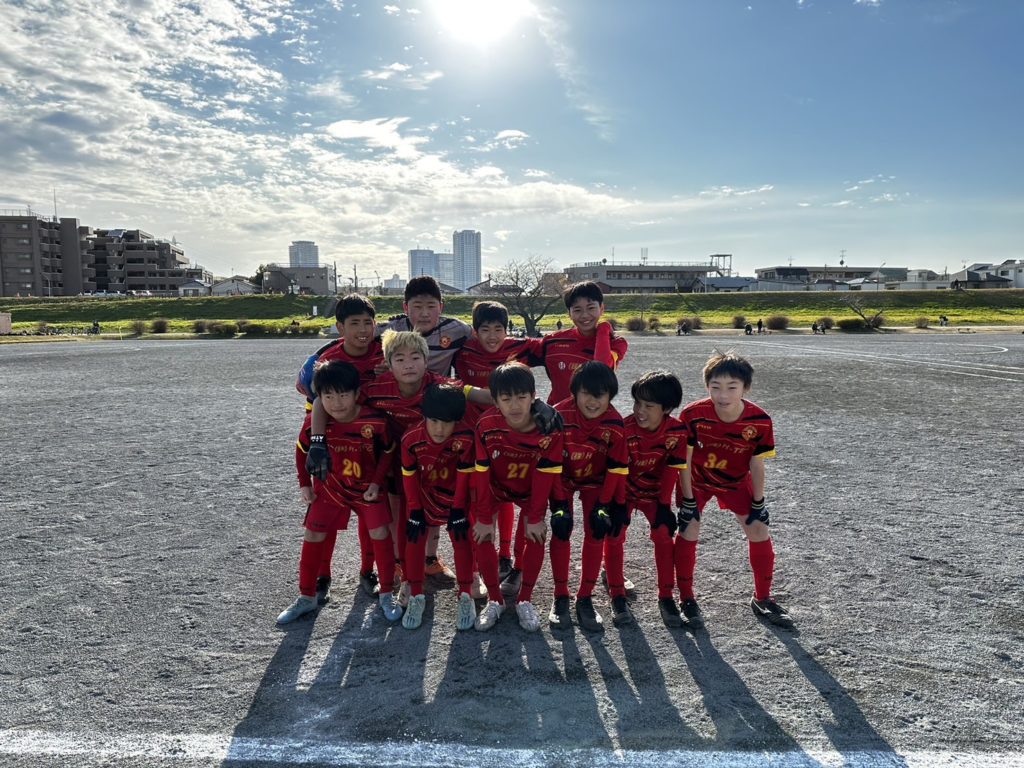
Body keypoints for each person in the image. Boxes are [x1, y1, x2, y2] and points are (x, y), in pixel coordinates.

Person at [675, 351, 793, 628]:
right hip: (698, 481)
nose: (723, 395)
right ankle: (686, 598)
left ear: (745, 388)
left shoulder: (759, 420)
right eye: (715, 387)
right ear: (707, 386)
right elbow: (684, 461)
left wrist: (759, 502)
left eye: (732, 387)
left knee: (759, 530)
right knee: (689, 528)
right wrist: (688, 500)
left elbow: (756, 464)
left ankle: (762, 598)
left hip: (736, 482)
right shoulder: (692, 415)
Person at [278, 360, 401, 625]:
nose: (336, 402)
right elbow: (301, 452)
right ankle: (306, 596)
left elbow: (388, 451)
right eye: (329, 396)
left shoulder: (375, 421)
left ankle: (386, 594)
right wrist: (305, 484)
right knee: (313, 533)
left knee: (380, 532)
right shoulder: (315, 424)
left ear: (356, 393)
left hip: (366, 489)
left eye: (343, 394)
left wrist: (376, 483)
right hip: (330, 489)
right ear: (319, 398)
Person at [295, 293, 384, 598]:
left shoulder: (384, 352)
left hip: (372, 440)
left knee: (370, 511)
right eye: (354, 323)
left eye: (367, 322)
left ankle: (368, 570)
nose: (362, 329)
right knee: (327, 514)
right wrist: (318, 442)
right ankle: (323, 575)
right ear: (340, 327)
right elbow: (315, 404)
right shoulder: (327, 360)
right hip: (335, 444)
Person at [454, 301, 543, 584]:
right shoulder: (461, 349)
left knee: (507, 493)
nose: (492, 336)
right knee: (479, 500)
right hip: (474, 434)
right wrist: (471, 391)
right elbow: (434, 369)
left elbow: (560, 348)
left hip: (510, 434)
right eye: (485, 329)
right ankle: (480, 565)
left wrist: (609, 335)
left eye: (498, 329)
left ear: (507, 329)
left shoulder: (521, 347)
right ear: (474, 331)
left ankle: (505, 555)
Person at [473, 363, 564, 632]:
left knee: (536, 533)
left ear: (534, 396)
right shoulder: (485, 425)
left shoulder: (549, 427)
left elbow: (545, 476)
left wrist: (536, 517)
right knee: (480, 533)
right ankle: (495, 599)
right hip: (496, 487)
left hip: (530, 490)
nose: (514, 405)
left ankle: (525, 598)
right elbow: (482, 474)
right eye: (506, 398)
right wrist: (483, 517)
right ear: (495, 401)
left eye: (522, 397)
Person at [549, 362, 630, 632]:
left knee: (596, 531)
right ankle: (560, 595)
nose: (593, 401)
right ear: (574, 392)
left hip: (596, 482)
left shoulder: (615, 423)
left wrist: (606, 504)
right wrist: (559, 503)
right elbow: (550, 464)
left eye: (600, 395)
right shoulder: (558, 416)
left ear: (610, 396)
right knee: (561, 529)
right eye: (586, 393)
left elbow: (617, 468)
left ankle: (585, 596)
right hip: (563, 480)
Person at [400, 384, 478, 631]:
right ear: (424, 416)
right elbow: (409, 477)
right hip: (424, 496)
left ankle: (465, 594)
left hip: (457, 497)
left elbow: (465, 475)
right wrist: (414, 510)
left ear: (458, 420)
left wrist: (458, 510)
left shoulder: (466, 437)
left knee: (462, 537)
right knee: (414, 537)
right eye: (434, 421)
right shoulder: (411, 439)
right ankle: (416, 594)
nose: (440, 429)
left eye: (447, 422)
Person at [623, 371, 689, 628]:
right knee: (614, 532)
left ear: (667, 409)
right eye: (637, 403)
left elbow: (672, 471)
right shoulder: (624, 428)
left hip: (654, 494)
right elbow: (616, 471)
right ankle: (615, 588)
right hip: (625, 491)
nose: (640, 410)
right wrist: (615, 502)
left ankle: (666, 595)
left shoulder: (677, 431)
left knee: (663, 534)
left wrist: (664, 506)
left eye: (648, 406)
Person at [535, 281, 628, 405]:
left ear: (601, 308)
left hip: (593, 412)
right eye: (577, 310)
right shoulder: (553, 341)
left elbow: (601, 368)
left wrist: (603, 329)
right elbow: (518, 352)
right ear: (569, 313)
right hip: (558, 414)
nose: (585, 315)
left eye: (591, 308)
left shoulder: (616, 343)